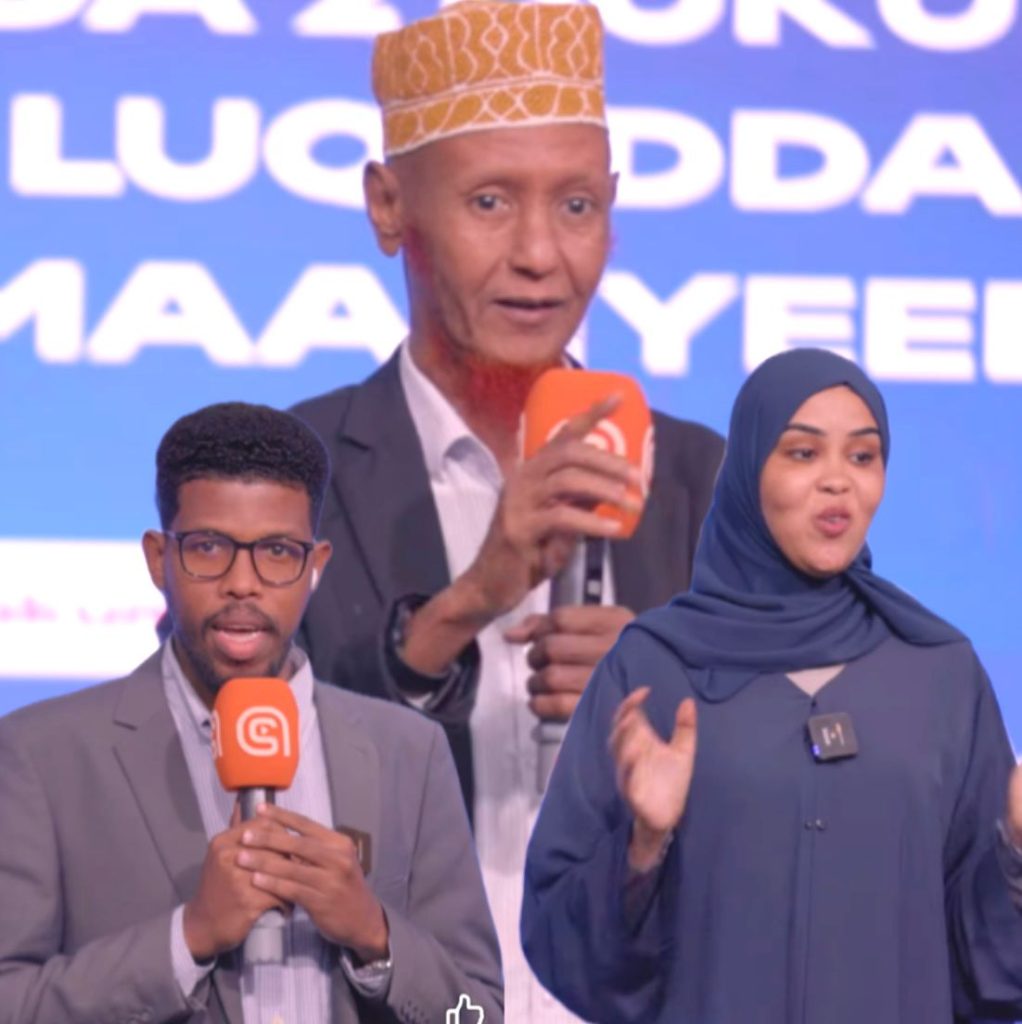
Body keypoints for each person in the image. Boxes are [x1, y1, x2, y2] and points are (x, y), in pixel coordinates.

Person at [292, 4, 723, 1018]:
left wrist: (678, 698)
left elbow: (826, 794)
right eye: (489, 201)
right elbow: (208, 751)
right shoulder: (290, 472)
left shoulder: (709, 481)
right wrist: (460, 609)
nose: (540, 253)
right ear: (388, 205)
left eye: (576, 205)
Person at [521, 348, 1022, 1023]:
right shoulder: (656, 666)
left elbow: (985, 973)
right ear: (749, 470)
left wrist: (1015, 854)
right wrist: (643, 846)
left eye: (863, 456)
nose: (838, 482)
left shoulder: (939, 673)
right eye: (803, 453)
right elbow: (560, 940)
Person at [0, 402, 502, 1024]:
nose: (243, 582)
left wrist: (375, 936)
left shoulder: (409, 752)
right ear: (158, 558)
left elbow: (475, 1015)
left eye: (278, 551)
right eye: (209, 547)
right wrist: (186, 939)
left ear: (315, 566)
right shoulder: (40, 755)